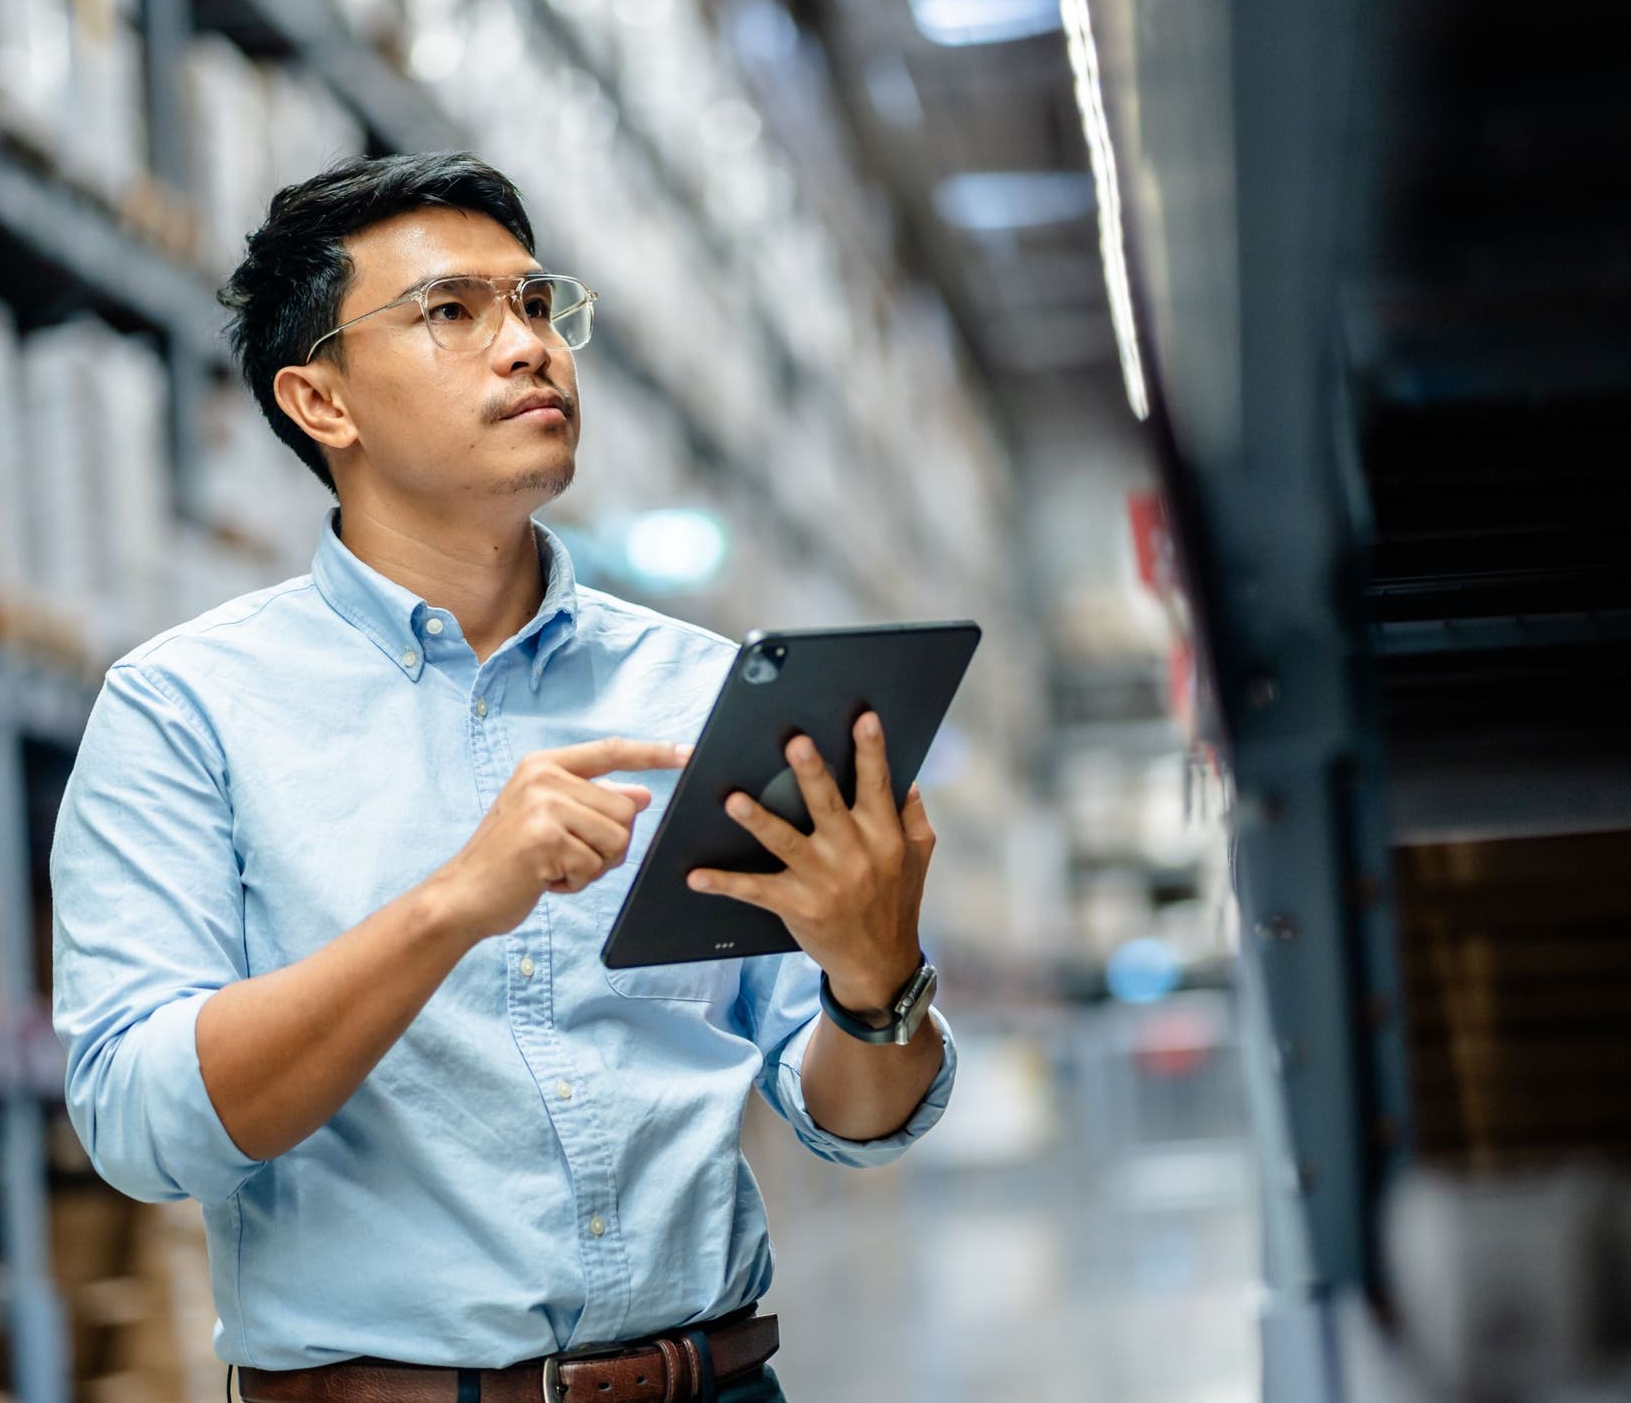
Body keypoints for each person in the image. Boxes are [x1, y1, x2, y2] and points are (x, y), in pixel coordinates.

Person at [50, 152, 956, 1403]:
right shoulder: (186, 710)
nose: (527, 347)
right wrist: (453, 904)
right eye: (450, 313)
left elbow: (858, 1118)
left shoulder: (701, 693)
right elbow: (143, 1127)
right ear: (322, 403)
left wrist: (874, 978)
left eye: (535, 305)